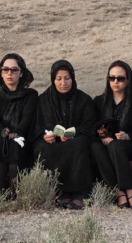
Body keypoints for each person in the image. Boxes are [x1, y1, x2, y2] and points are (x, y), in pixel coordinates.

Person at [32, 60, 98, 209]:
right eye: (59, 79)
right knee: (43, 148)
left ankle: (80, 194)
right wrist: (45, 135)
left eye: (67, 78)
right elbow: (37, 126)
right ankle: (60, 192)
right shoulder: (43, 100)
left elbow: (90, 125)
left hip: (76, 138)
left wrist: (72, 133)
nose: (63, 83)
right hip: (52, 141)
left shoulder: (84, 99)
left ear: (73, 79)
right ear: (53, 79)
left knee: (79, 144)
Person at [90, 60, 132, 210]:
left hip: (128, 146)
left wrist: (128, 136)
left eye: (120, 78)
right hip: (104, 144)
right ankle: (118, 191)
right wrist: (103, 137)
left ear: (128, 80)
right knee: (94, 147)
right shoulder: (99, 102)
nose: (116, 82)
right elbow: (93, 127)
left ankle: (129, 189)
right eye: (112, 78)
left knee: (116, 145)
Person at [0, 53, 38, 197]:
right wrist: (2, 131)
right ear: (0, 72)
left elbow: (27, 117)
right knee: (0, 144)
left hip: (23, 137)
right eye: (5, 69)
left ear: (21, 73)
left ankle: (15, 194)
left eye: (14, 70)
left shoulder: (30, 95)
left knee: (15, 144)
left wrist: (17, 131)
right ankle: (2, 194)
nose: (9, 73)